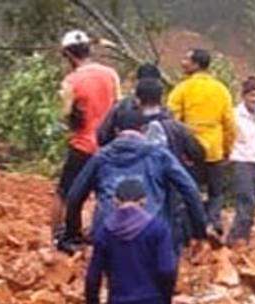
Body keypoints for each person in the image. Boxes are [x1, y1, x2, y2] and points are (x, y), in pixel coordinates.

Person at [64, 106, 210, 252]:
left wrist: (73, 234)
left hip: (108, 232)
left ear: (116, 130)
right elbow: (190, 190)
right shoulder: (159, 155)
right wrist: (199, 233)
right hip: (151, 230)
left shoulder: (101, 157)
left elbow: (74, 197)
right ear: (144, 129)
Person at [51, 30, 121, 243]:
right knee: (106, 192)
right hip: (108, 145)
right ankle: (103, 233)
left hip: (83, 144)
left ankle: (60, 236)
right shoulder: (111, 74)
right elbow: (118, 106)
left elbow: (65, 115)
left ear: (69, 55)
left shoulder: (71, 82)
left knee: (66, 192)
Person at [167, 48, 236, 235]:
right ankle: (213, 223)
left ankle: (192, 230)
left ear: (196, 64)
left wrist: (177, 151)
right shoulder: (221, 90)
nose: (182, 62)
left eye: (186, 60)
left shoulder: (182, 89)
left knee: (190, 191)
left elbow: (172, 121)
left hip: (190, 151)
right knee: (216, 193)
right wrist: (227, 148)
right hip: (214, 150)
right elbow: (229, 124)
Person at [134, 77, 206, 252]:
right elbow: (199, 153)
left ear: (137, 99)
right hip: (170, 197)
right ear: (162, 98)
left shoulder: (128, 126)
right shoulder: (177, 127)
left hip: (135, 200)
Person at [227, 77, 255, 247]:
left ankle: (245, 238)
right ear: (244, 96)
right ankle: (233, 238)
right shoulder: (235, 115)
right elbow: (229, 137)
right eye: (252, 95)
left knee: (252, 203)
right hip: (241, 160)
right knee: (245, 200)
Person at [96, 63, 164, 149]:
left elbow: (102, 136)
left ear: (137, 81)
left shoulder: (121, 107)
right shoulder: (165, 112)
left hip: (124, 156)